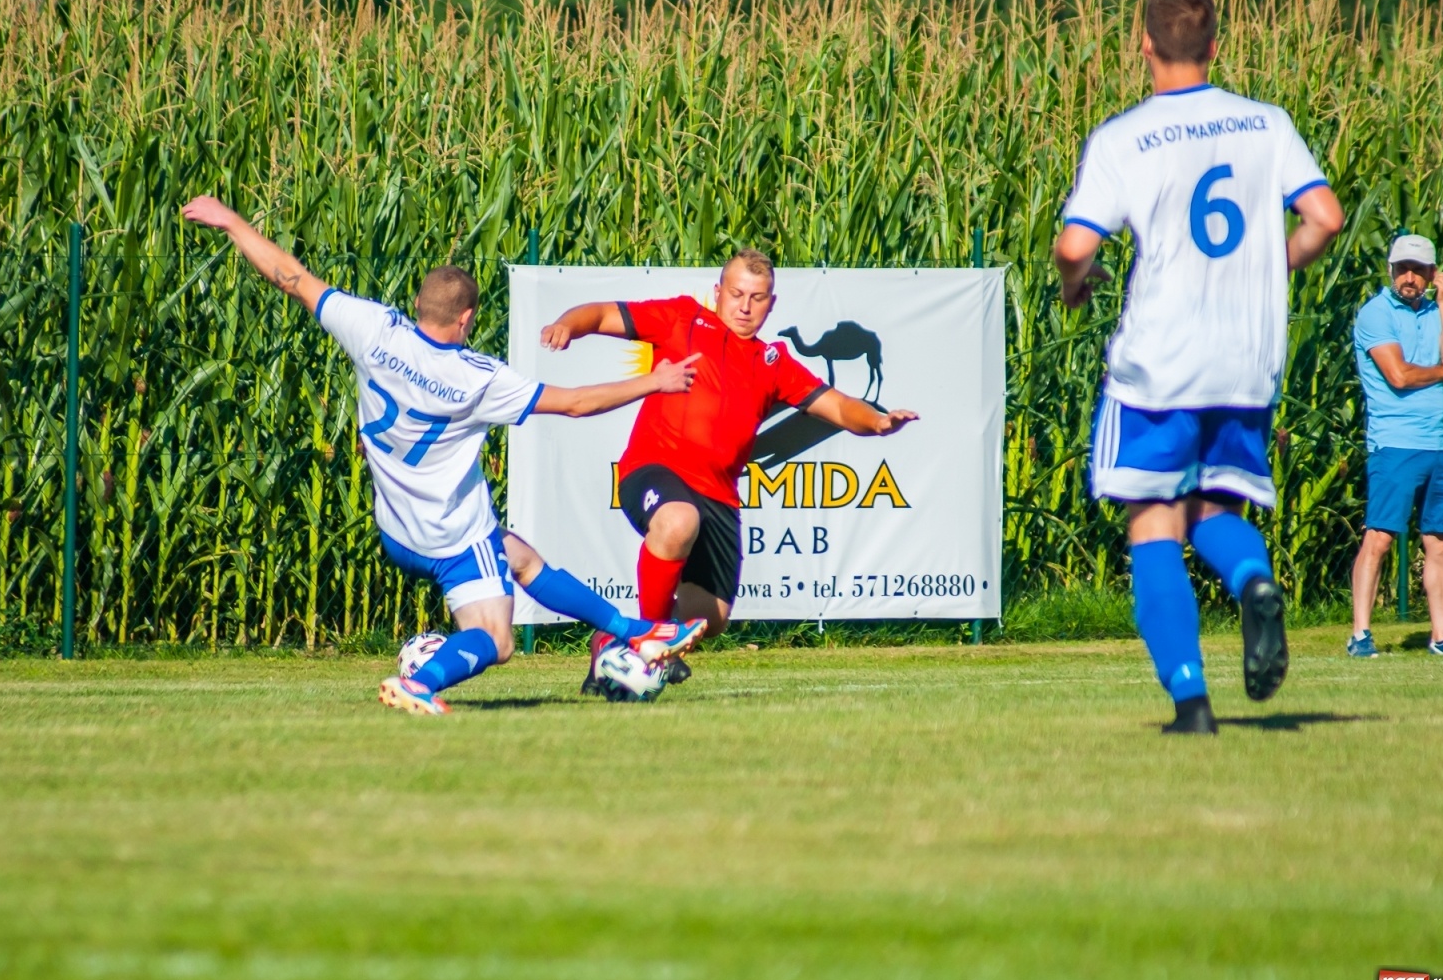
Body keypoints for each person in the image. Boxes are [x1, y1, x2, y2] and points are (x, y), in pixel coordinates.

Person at [181, 196, 708, 715]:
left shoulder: (371, 330)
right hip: (453, 534)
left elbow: (288, 275)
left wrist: (231, 222)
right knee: (495, 639)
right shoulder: (478, 378)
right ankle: (422, 683)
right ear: (467, 318)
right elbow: (573, 404)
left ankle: (636, 631)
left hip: (397, 527)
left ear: (419, 305)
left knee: (520, 557)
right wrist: (655, 381)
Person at [1051, 0, 1345, 734]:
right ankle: (1252, 579)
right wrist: (1277, 264)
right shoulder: (1266, 123)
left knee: (1154, 519)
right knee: (1213, 504)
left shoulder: (1126, 137)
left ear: (1143, 45)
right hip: (1245, 359)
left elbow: (1075, 244)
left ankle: (1191, 701)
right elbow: (1325, 217)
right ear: (1215, 46)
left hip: (1163, 359)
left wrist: (1075, 286)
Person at [539, 248, 919, 687]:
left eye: (757, 298)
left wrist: (877, 421)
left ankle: (613, 639)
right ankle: (650, 641)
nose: (744, 305)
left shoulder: (772, 363)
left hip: (718, 494)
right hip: (653, 469)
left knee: (711, 618)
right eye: (736, 293)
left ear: (771, 304)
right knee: (678, 521)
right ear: (718, 292)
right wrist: (569, 324)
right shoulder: (681, 319)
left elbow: (836, 406)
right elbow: (603, 313)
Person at [1346, 234, 1443, 657]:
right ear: (1390, 270)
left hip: (1441, 442)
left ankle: (1442, 637)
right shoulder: (1375, 314)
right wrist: (1442, 372)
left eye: (1418, 270)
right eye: (1402, 268)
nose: (1409, 277)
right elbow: (1399, 375)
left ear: (1432, 274)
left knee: (1442, 543)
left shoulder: (1438, 312)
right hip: (1395, 443)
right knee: (1379, 537)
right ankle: (1361, 635)